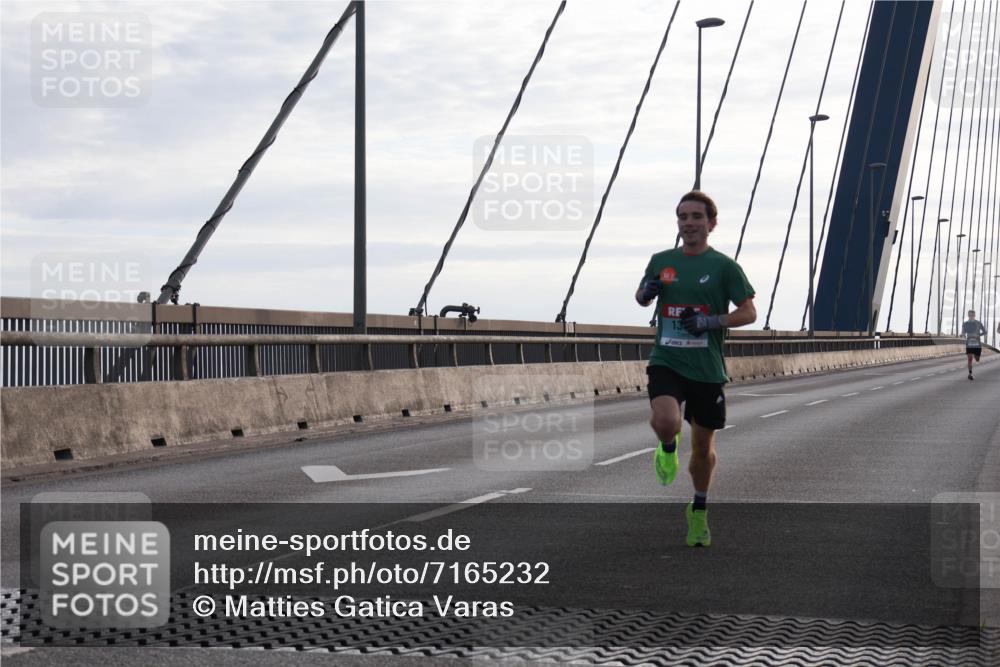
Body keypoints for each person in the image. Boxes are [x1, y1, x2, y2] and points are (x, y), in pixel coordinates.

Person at [635, 190, 756, 547]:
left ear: (711, 223)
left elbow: (748, 312)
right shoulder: (661, 260)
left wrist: (711, 321)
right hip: (667, 359)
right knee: (666, 421)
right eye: (683, 217)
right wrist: (648, 292)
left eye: (696, 217)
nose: (689, 223)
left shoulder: (724, 267)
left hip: (706, 368)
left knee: (703, 448)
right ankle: (667, 449)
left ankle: (699, 511)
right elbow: (642, 298)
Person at [961, 310, 986, 380]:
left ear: (974, 315)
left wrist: (979, 335)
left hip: (977, 343)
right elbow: (963, 332)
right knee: (969, 358)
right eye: (970, 315)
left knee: (977, 359)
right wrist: (964, 337)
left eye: (972, 315)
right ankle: (970, 373)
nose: (971, 316)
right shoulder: (965, 323)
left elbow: (985, 332)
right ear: (968, 315)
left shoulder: (978, 323)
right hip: (969, 343)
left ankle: (976, 355)